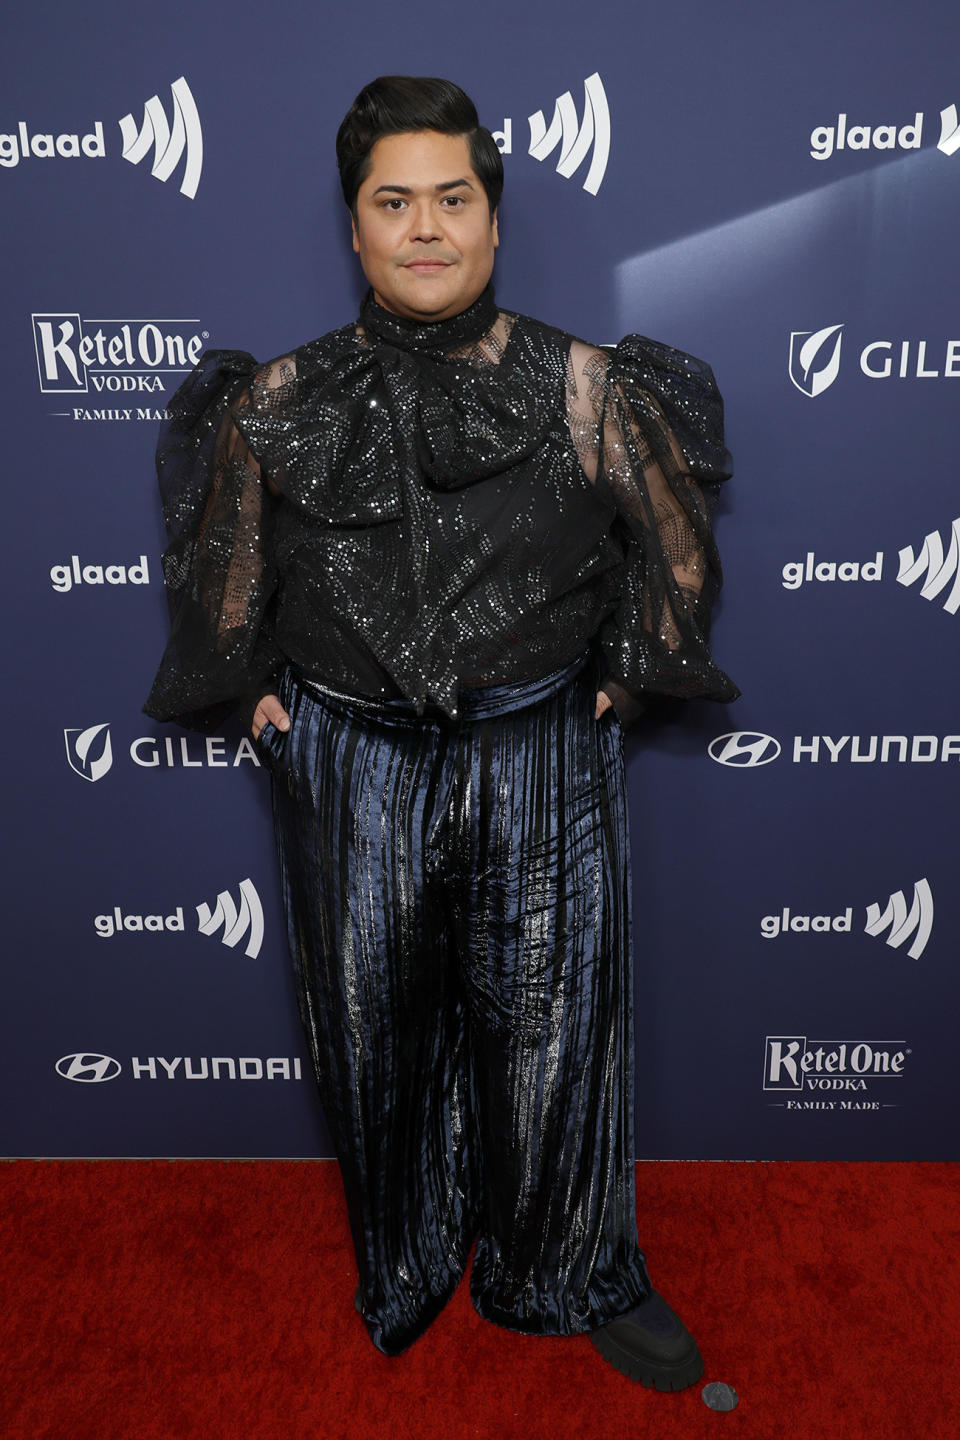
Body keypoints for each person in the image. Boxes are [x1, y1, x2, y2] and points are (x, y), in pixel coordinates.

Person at [144, 75, 738, 1390]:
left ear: (494, 219)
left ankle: (569, 1269)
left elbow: (677, 549)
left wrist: (629, 681)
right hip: (348, 759)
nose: (425, 229)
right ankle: (407, 1263)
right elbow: (227, 571)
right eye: (392, 202)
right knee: (372, 1030)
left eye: (452, 200)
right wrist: (254, 700)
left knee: (553, 1031)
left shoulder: (586, 385)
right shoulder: (280, 398)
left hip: (536, 751)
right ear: (353, 227)